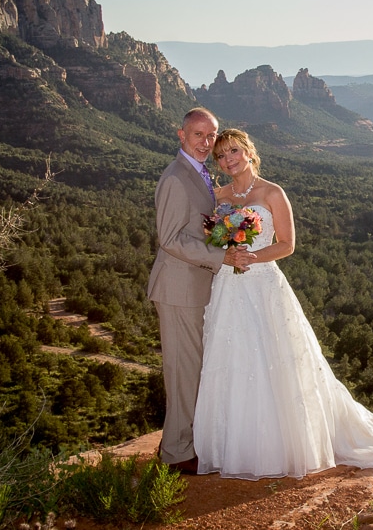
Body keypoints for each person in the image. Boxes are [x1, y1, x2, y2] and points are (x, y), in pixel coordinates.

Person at [193, 128, 373, 481]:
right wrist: (228, 253)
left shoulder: (272, 192)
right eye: (222, 156)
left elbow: (287, 245)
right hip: (228, 285)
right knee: (233, 357)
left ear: (250, 152)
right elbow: (209, 242)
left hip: (262, 283)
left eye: (235, 151)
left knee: (275, 359)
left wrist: (252, 256)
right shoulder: (219, 196)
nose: (229, 160)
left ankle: (279, 446)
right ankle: (235, 445)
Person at [147, 109, 257, 474]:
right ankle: (177, 455)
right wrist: (221, 256)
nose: (206, 143)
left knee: (193, 370)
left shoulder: (200, 172)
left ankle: (183, 443)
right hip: (179, 289)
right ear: (181, 135)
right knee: (182, 372)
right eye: (198, 135)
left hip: (196, 288)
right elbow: (170, 238)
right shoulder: (176, 178)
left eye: (210, 137)